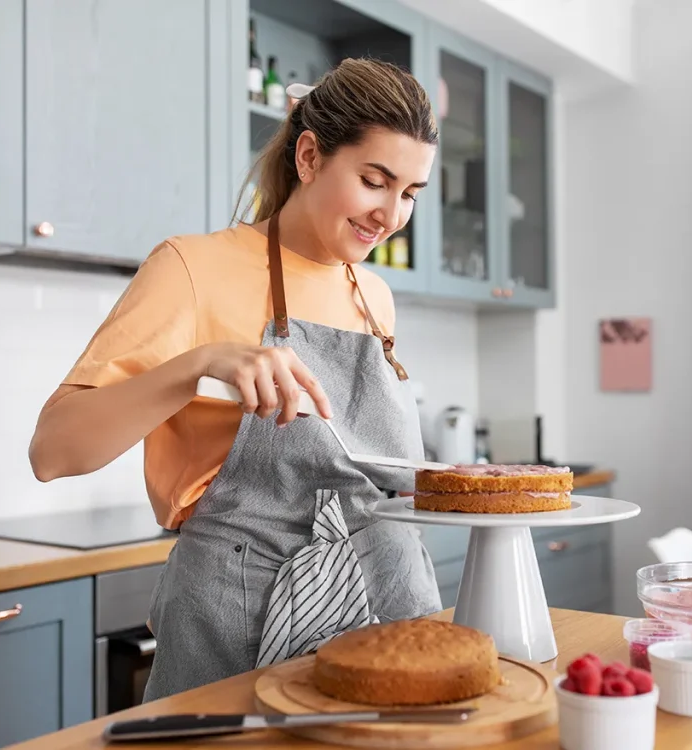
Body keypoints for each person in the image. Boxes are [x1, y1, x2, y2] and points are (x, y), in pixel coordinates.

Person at [28, 57, 443, 699]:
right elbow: (54, 451)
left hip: (384, 604)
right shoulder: (191, 268)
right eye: (373, 181)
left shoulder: (373, 295)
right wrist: (199, 363)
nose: (391, 215)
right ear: (309, 156)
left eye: (410, 194)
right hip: (241, 618)